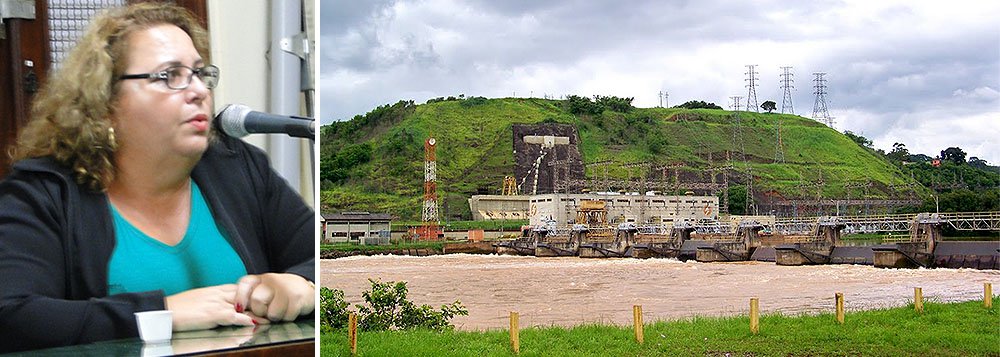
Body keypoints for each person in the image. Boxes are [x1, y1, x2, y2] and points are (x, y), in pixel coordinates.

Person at [0, 3, 314, 352]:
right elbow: (12, 315)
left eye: (199, 73)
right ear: (105, 105)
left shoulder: (237, 166)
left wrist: (301, 284)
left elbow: (320, 256)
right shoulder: (41, 194)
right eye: (170, 75)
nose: (198, 91)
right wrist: (161, 313)